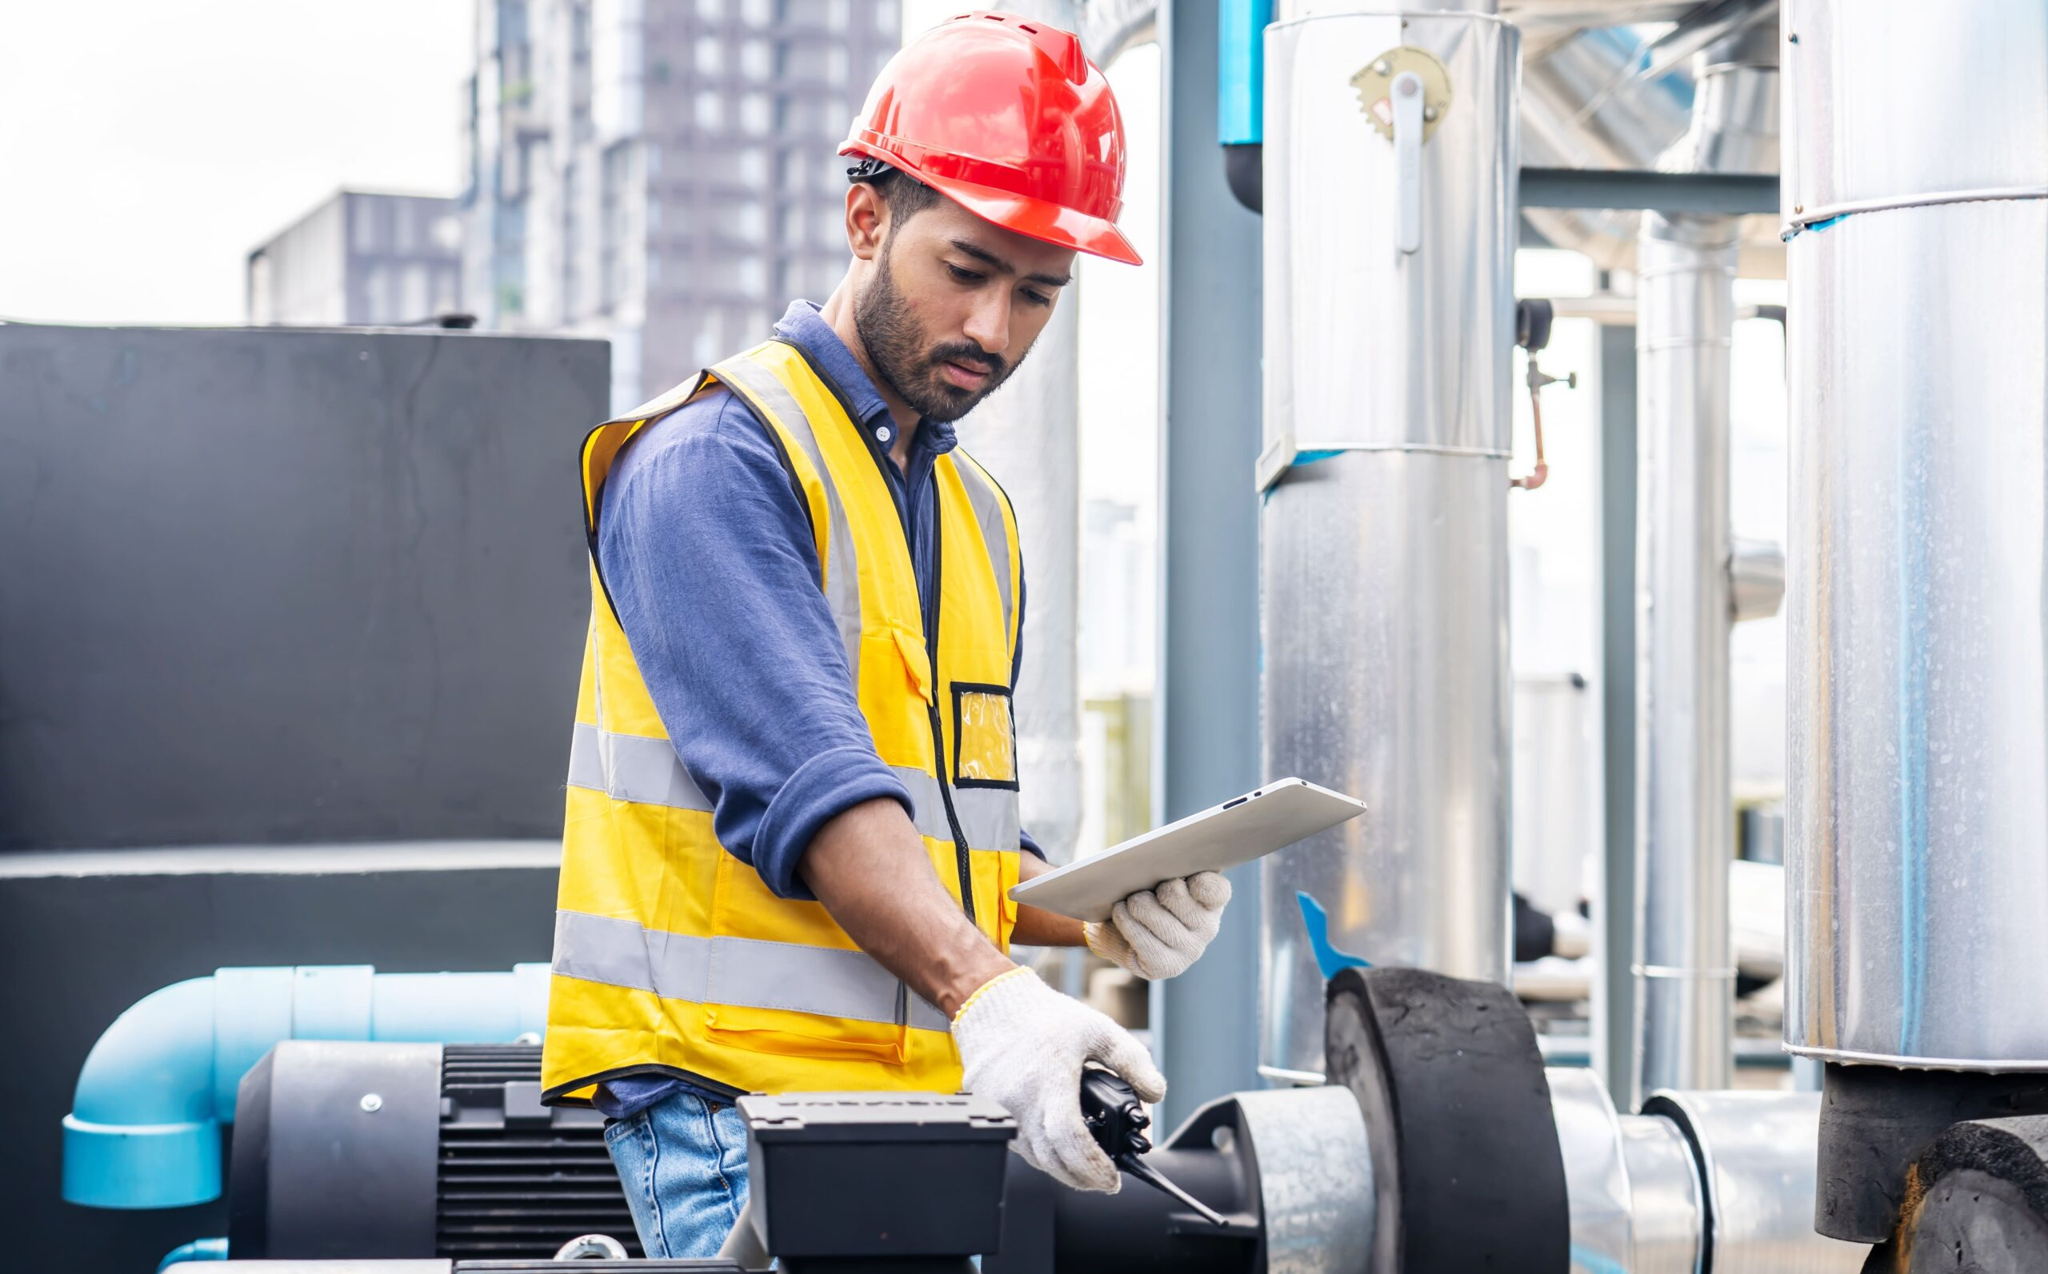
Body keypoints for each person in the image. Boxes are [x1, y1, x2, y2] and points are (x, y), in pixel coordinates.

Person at [540, 11, 1232, 1259]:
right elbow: (815, 796)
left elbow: (939, 840)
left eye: (1038, 292)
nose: (994, 330)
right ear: (867, 217)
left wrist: (1095, 913)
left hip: (909, 1112)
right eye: (965, 269)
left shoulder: (974, 514)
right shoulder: (715, 457)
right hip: (732, 1105)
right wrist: (992, 995)